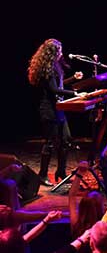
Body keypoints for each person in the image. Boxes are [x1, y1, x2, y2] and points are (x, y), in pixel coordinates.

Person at [28, 38, 87, 186]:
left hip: (58, 109)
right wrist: (74, 94)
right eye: (60, 50)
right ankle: (42, 174)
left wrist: (73, 78)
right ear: (53, 52)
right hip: (49, 110)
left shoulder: (55, 66)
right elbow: (53, 90)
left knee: (66, 140)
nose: (62, 53)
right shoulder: (47, 68)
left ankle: (61, 172)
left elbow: (58, 85)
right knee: (50, 143)